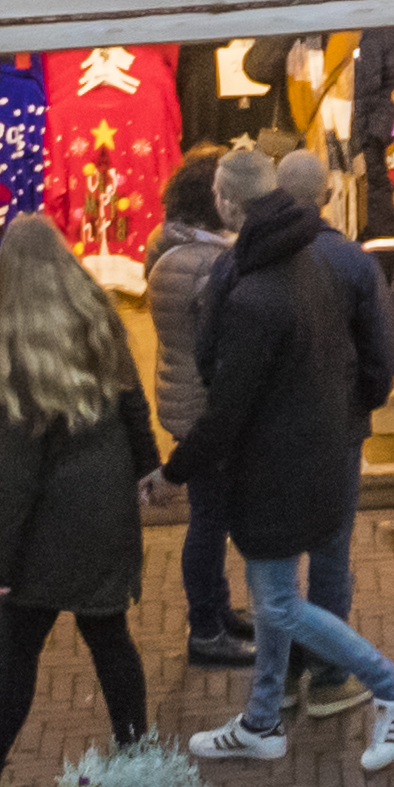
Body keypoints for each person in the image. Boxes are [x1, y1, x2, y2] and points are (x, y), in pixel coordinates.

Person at [175, 157, 394, 768]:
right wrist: (350, 414)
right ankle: (276, 709)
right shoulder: (340, 261)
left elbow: (222, 380)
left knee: (279, 599)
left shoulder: (247, 277)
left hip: (275, 459)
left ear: (230, 203)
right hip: (323, 445)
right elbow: (380, 355)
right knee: (312, 572)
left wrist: (179, 467)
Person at [0, 212, 157, 786]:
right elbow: (132, 403)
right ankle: (137, 758)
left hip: (49, 528)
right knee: (109, 637)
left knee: (17, 650)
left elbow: (15, 479)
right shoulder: (98, 312)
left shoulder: (21, 353)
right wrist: (147, 467)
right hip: (106, 506)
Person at [143, 149, 250, 667]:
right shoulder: (205, 266)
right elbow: (225, 346)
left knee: (211, 516)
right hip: (204, 408)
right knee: (209, 521)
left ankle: (217, 611)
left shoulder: (170, 248)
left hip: (185, 399)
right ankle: (206, 628)